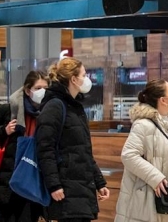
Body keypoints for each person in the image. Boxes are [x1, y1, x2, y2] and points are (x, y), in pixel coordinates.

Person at [36, 57, 110, 222]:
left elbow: (83, 150)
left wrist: (99, 182)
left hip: (81, 187)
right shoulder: (55, 106)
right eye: (84, 75)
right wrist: (54, 185)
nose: (87, 79)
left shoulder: (75, 107)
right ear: (74, 79)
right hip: (66, 189)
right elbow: (44, 148)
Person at [115, 79, 168, 222]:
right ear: (163, 100)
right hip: (158, 201)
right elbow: (129, 155)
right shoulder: (144, 125)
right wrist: (155, 177)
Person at [0, 70, 49, 222]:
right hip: (5, 188)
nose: (42, 92)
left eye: (45, 88)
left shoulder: (46, 114)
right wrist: (3, 131)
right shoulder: (9, 110)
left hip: (31, 187)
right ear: (28, 90)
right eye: (38, 88)